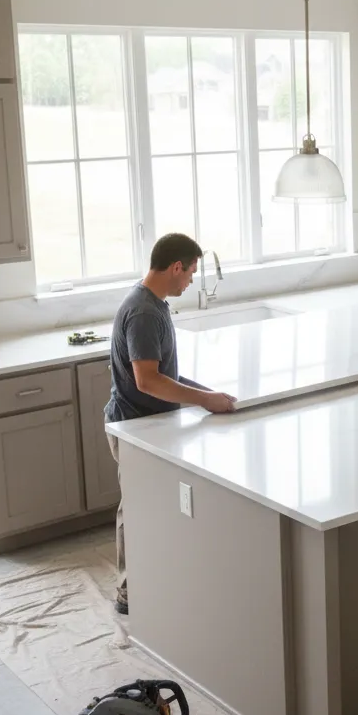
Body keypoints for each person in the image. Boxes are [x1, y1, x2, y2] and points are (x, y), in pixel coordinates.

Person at [104, 233, 236, 615]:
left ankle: (157, 581)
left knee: (152, 509)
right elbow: (147, 381)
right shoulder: (144, 313)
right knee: (137, 509)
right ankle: (129, 592)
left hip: (148, 424)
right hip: (134, 427)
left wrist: (207, 394)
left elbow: (163, 374)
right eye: (191, 272)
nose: (192, 280)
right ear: (176, 267)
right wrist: (203, 400)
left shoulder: (153, 302)